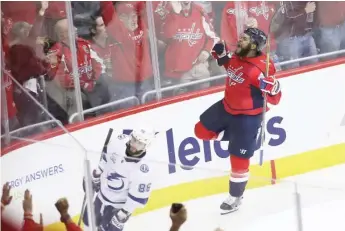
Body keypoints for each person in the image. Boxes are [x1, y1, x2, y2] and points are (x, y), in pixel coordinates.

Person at [194, 27, 282, 215]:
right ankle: (235, 137)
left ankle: (235, 198)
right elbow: (232, 67)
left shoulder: (260, 69)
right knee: (200, 130)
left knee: (239, 161)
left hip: (248, 117)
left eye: (243, 38)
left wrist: (274, 88)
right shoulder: (238, 56)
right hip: (227, 107)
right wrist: (222, 56)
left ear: (253, 45)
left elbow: (275, 99)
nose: (239, 40)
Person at [82, 128, 157, 231]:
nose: (134, 145)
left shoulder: (143, 171)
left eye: (140, 143)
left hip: (115, 208)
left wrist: (123, 214)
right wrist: (97, 173)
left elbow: (137, 198)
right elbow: (105, 157)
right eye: (134, 140)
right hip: (101, 195)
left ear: (146, 146)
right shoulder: (118, 143)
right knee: (88, 222)